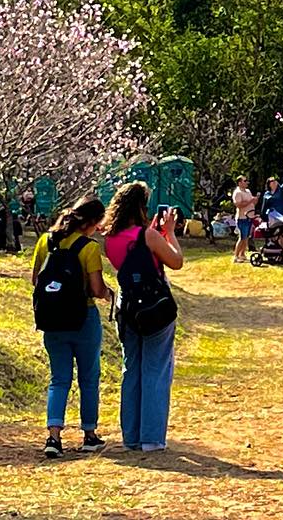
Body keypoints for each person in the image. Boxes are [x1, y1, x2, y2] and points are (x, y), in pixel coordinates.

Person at [103, 181, 184, 453]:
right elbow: (176, 261)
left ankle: (131, 436)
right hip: (155, 307)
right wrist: (169, 233)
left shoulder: (110, 238)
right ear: (141, 207)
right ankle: (152, 437)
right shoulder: (148, 236)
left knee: (132, 369)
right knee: (156, 370)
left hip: (127, 308)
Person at [31, 197, 111, 458]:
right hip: (83, 317)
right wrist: (110, 294)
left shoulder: (46, 241)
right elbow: (96, 289)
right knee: (88, 377)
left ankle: (53, 437)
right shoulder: (88, 248)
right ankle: (89, 434)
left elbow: (36, 279)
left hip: (52, 319)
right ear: (92, 223)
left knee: (59, 379)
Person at [231, 176, 255, 264]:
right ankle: (236, 256)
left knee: (246, 238)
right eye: (245, 181)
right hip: (242, 218)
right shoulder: (237, 193)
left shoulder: (248, 191)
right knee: (242, 237)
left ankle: (242, 254)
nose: (247, 182)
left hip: (249, 217)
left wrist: (255, 200)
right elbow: (238, 205)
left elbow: (252, 202)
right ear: (239, 183)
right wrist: (250, 201)